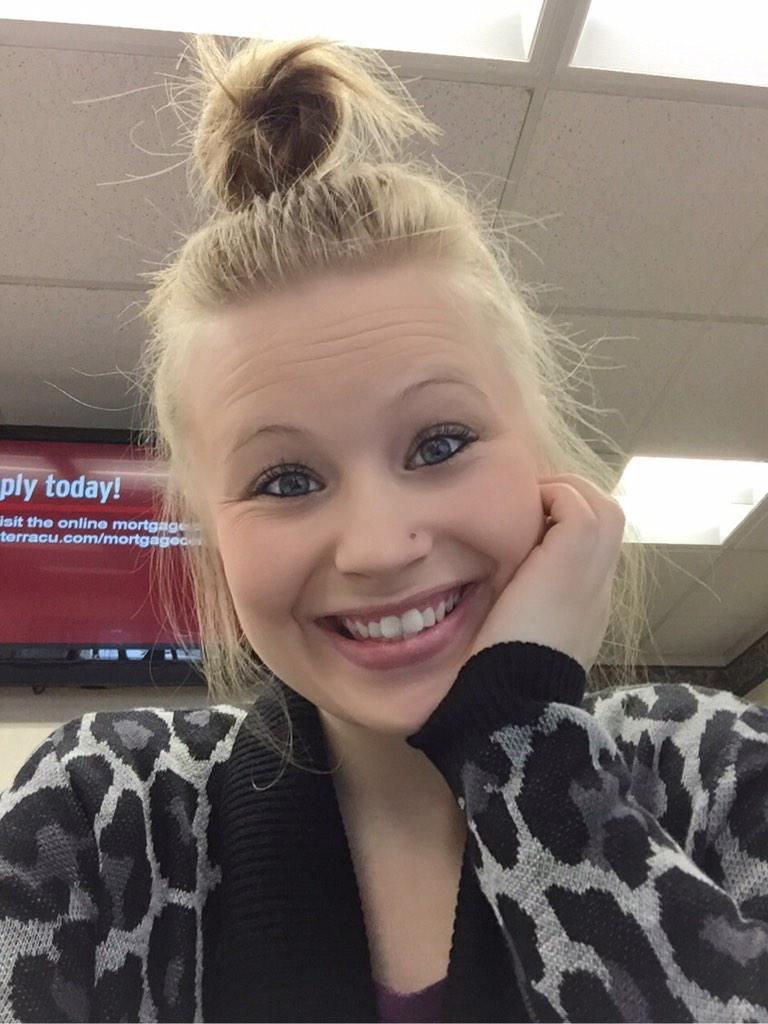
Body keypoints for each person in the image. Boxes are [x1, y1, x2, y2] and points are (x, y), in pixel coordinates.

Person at [1, 32, 767, 1024]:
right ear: (213, 536)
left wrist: (521, 735)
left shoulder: (713, 770)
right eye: (285, 479)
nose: (376, 546)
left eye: (440, 443)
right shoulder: (103, 813)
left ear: (545, 460)